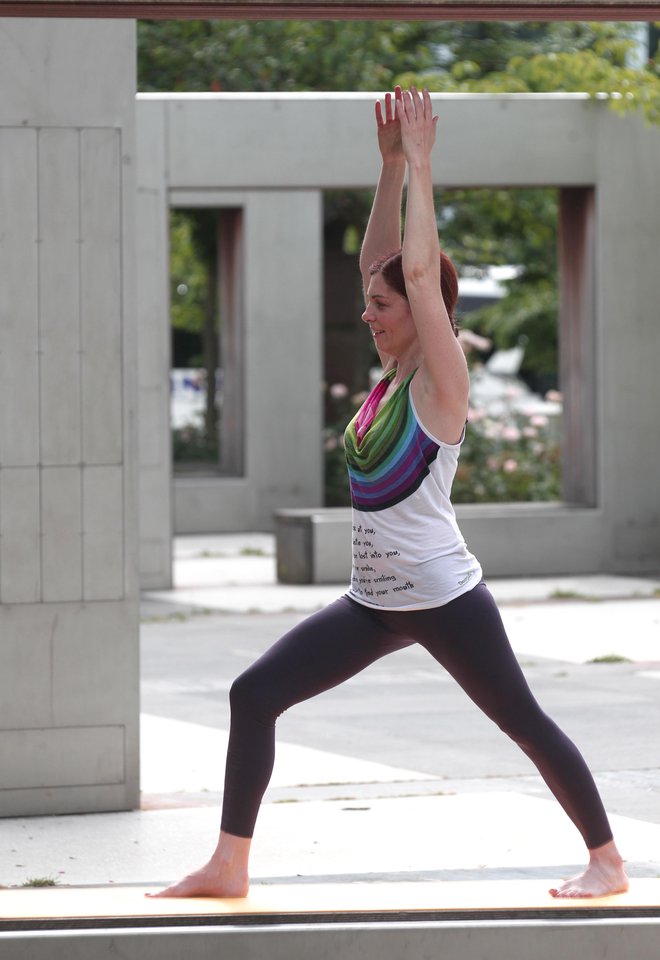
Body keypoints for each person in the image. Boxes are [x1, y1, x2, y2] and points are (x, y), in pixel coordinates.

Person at [150, 87, 628, 901]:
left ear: (424, 312)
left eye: (381, 307)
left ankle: (607, 862)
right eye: (367, 306)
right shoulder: (389, 378)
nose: (368, 315)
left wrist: (425, 166)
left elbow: (412, 267)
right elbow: (388, 261)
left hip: (444, 596)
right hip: (373, 601)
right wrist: (387, 169)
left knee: (522, 723)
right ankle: (229, 864)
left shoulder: (440, 382)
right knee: (253, 694)